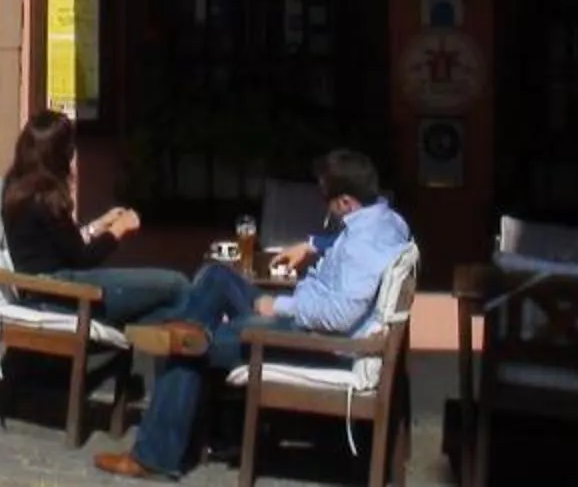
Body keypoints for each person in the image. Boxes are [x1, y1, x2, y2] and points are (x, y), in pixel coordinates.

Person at [93, 147, 414, 481]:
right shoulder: (385, 221)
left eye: (326, 199)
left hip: (317, 340)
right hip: (307, 322)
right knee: (217, 277)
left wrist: (276, 306)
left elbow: (338, 315)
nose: (325, 206)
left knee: (187, 344)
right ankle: (205, 396)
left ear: (346, 202)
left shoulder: (364, 245)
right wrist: (313, 244)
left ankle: (155, 457)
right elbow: (348, 247)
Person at [0, 108, 190, 327]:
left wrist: (98, 225)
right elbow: (82, 259)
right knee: (178, 286)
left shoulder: (16, 188)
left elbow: (59, 245)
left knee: (150, 310)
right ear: (59, 154)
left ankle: (132, 341)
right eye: (70, 148)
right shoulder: (46, 197)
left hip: (44, 292)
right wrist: (119, 229)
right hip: (64, 292)